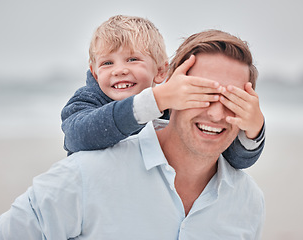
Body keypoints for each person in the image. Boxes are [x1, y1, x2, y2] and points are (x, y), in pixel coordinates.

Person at [0, 29, 265, 239]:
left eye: (232, 99)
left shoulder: (247, 201)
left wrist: (255, 128)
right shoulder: (85, 174)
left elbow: (243, 149)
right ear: (169, 88)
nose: (216, 113)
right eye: (201, 93)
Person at [61, 15, 265, 169]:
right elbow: (77, 136)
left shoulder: (170, 109)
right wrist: (155, 100)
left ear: (160, 71)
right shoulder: (87, 100)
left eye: (132, 59)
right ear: (95, 74)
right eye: (107, 63)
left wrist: (253, 130)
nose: (119, 70)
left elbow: (233, 159)